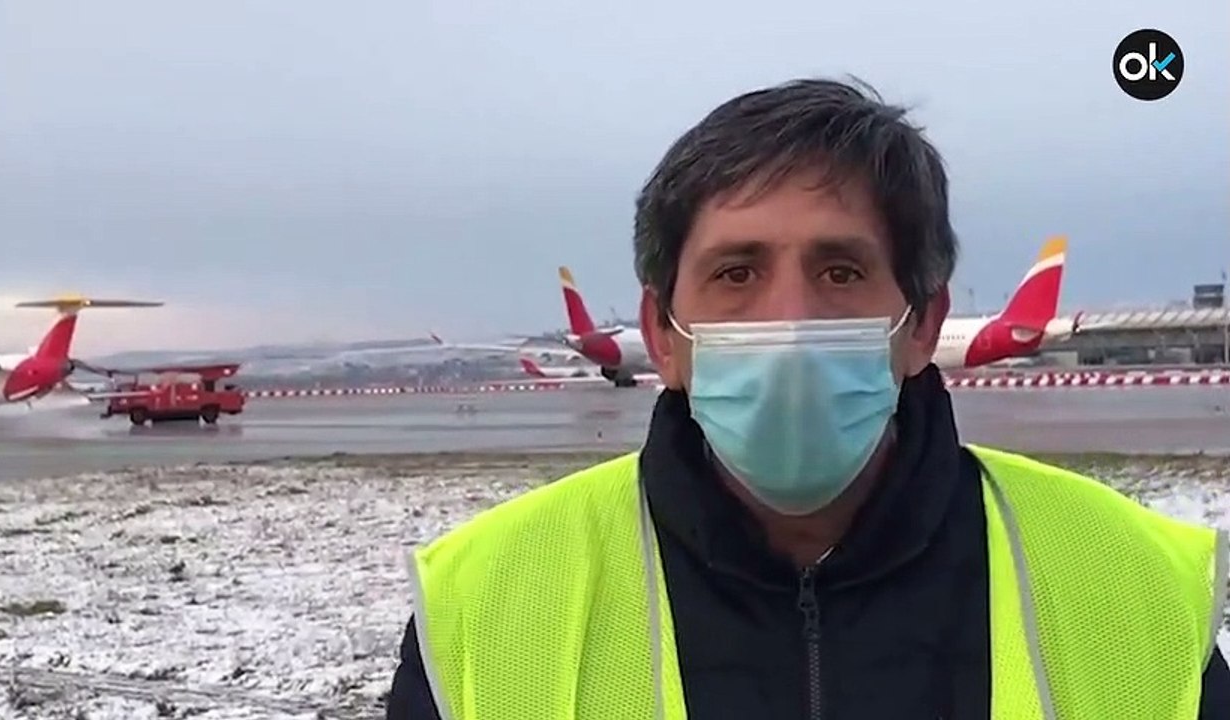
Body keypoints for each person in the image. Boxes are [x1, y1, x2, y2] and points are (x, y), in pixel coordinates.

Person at [385, 78, 1230, 719]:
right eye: (736, 273)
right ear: (665, 332)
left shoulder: (1133, 586)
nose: (789, 321)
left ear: (919, 325)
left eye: (840, 271)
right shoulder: (481, 607)